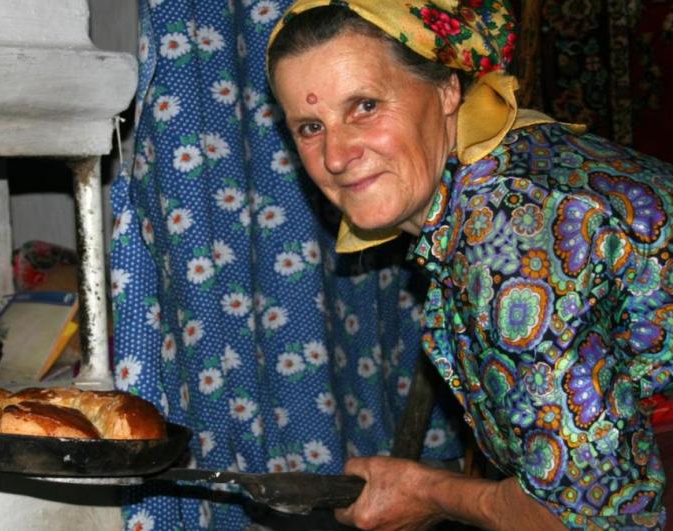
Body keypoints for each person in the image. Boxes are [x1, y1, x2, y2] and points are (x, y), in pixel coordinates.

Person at [266, 1, 673, 529]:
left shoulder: (511, 232)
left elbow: (593, 518)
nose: (336, 155)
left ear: (447, 90)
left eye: (365, 105)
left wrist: (426, 491)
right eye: (310, 127)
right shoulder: (505, 163)